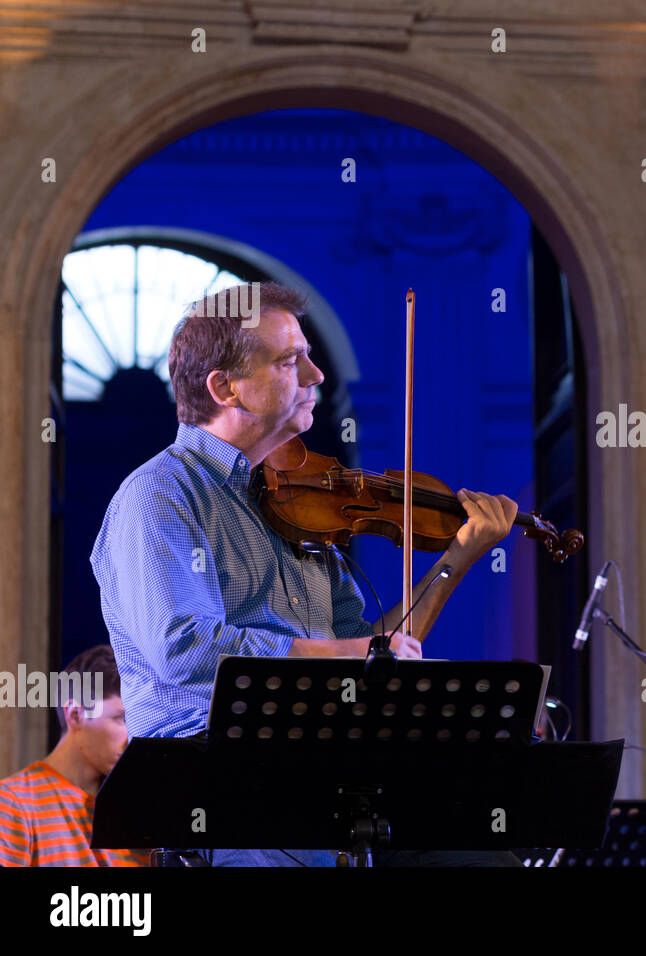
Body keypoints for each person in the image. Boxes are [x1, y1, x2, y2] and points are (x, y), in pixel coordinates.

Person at [90, 282, 520, 866]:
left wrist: (454, 562)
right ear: (224, 387)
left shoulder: (295, 502)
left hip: (328, 768)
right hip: (217, 784)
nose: (317, 374)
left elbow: (375, 645)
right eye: (290, 360)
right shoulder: (161, 493)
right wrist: (343, 655)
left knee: (483, 859)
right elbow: (183, 648)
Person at [0, 644, 149, 866]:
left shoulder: (133, 817)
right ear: (76, 715)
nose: (133, 736)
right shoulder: (13, 805)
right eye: (121, 719)